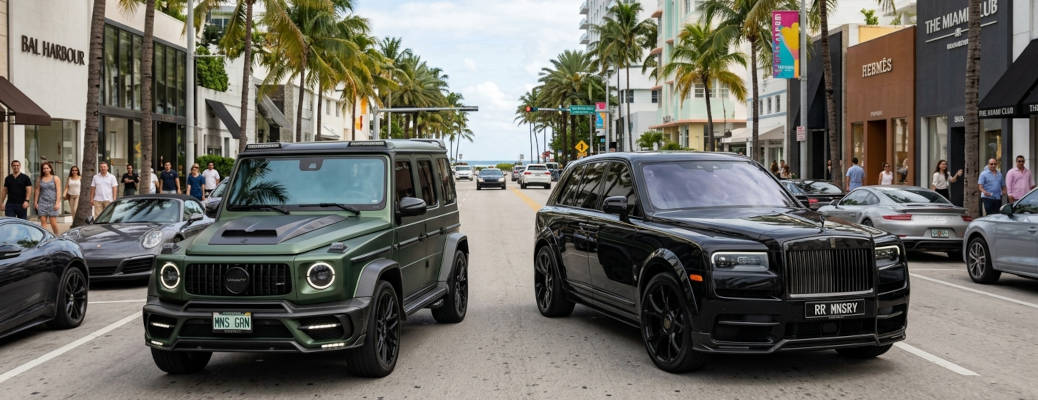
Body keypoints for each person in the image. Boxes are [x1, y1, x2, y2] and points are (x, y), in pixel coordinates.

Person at [34, 161, 62, 234]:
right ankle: (45, 239)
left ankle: (57, 237)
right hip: (42, 203)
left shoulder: (55, 178)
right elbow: (37, 191)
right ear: (42, 170)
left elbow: (58, 191)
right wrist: (35, 202)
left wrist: (57, 203)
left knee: (53, 223)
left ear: (50, 169)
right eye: (44, 168)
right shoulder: (39, 179)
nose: (46, 170)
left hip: (53, 203)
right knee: (43, 224)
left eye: (47, 168)